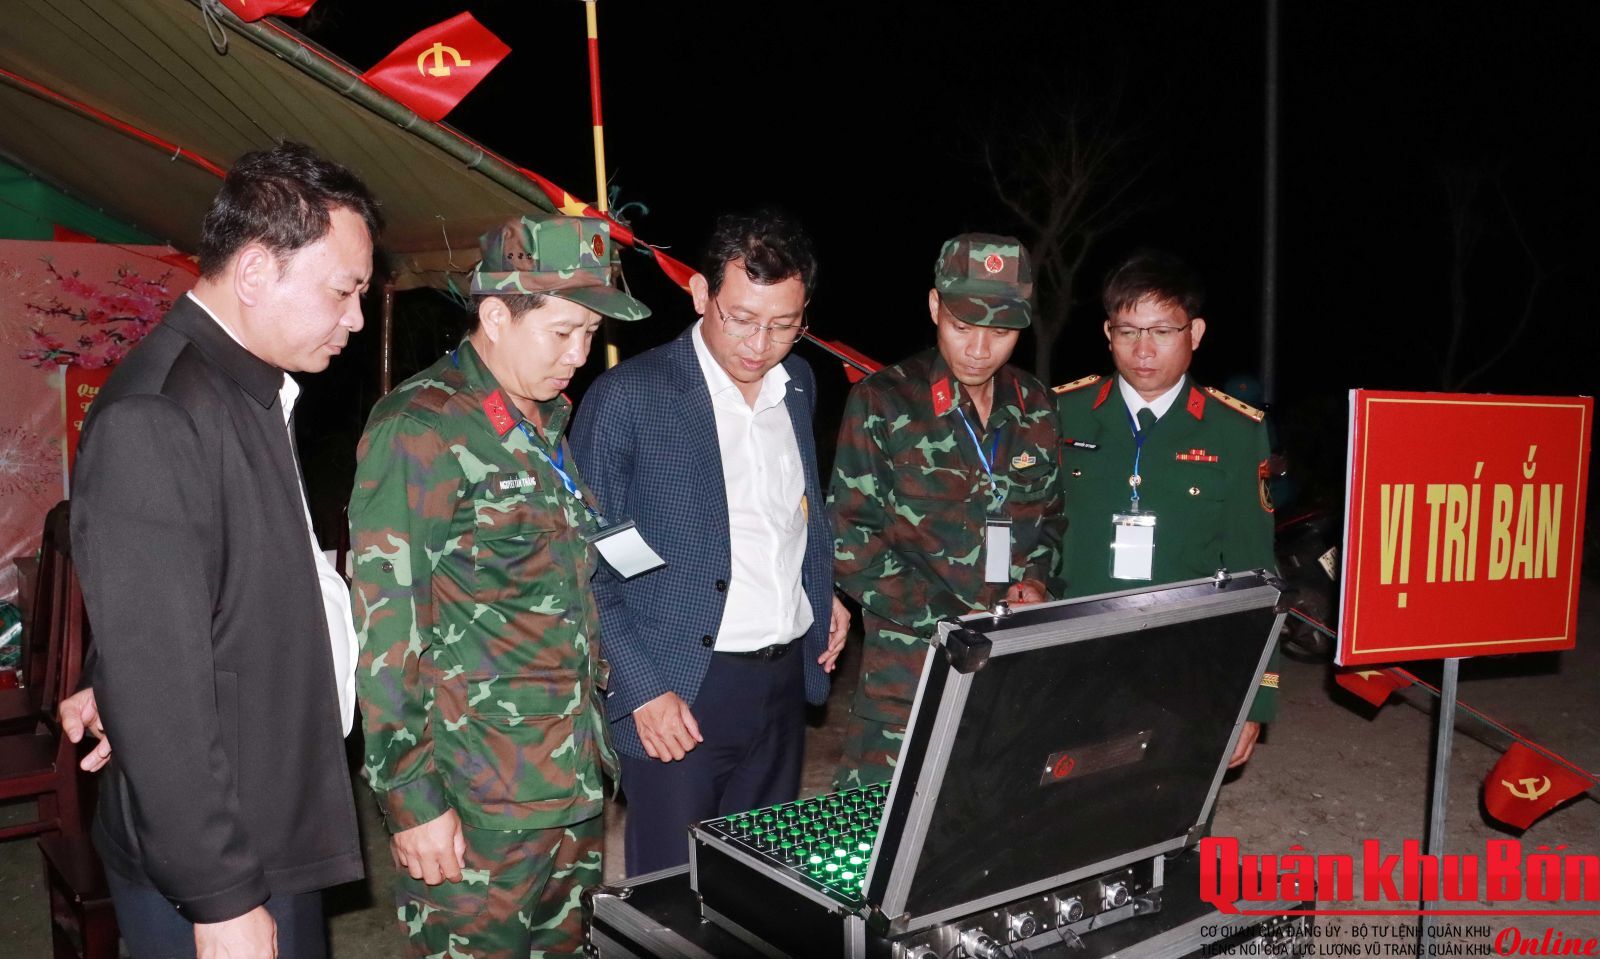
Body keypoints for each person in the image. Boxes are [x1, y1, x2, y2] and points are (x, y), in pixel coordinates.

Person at [65, 142, 380, 958]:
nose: (356, 318)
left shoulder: (244, 384)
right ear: (255, 272)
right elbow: (157, 678)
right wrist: (221, 894)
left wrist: (109, 681)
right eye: (343, 290)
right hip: (220, 856)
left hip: (268, 807)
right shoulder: (158, 413)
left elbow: (196, 592)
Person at [348, 215, 648, 957]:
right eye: (563, 332)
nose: (579, 355)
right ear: (495, 317)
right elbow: (386, 632)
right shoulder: (422, 427)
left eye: (590, 334)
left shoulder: (543, 420)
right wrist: (412, 800)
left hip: (567, 778)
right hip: (477, 800)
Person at [569, 210, 850, 875]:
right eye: (742, 318)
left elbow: (795, 514)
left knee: (762, 884)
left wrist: (820, 593)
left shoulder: (799, 385)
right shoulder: (628, 397)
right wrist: (640, 688)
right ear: (700, 294)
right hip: (681, 688)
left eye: (784, 324)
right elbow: (587, 562)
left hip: (782, 682)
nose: (761, 343)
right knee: (672, 894)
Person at [829, 233, 1066, 788]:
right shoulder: (883, 402)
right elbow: (849, 539)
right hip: (910, 676)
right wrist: (950, 623)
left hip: (1011, 668)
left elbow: (1052, 519)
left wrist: (1036, 581)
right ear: (935, 306)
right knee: (880, 830)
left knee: (993, 824)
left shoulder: (1036, 406)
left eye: (1001, 332)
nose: (979, 349)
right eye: (963, 327)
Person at [1053, 249, 1279, 766]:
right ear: (1108, 333)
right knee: (1067, 802)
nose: (1143, 349)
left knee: (1173, 802)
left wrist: (1255, 696)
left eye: (1162, 331)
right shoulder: (1062, 413)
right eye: (1128, 331)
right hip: (1072, 655)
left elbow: (1255, 568)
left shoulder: (1235, 431)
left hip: (1187, 664)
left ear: (1194, 333)